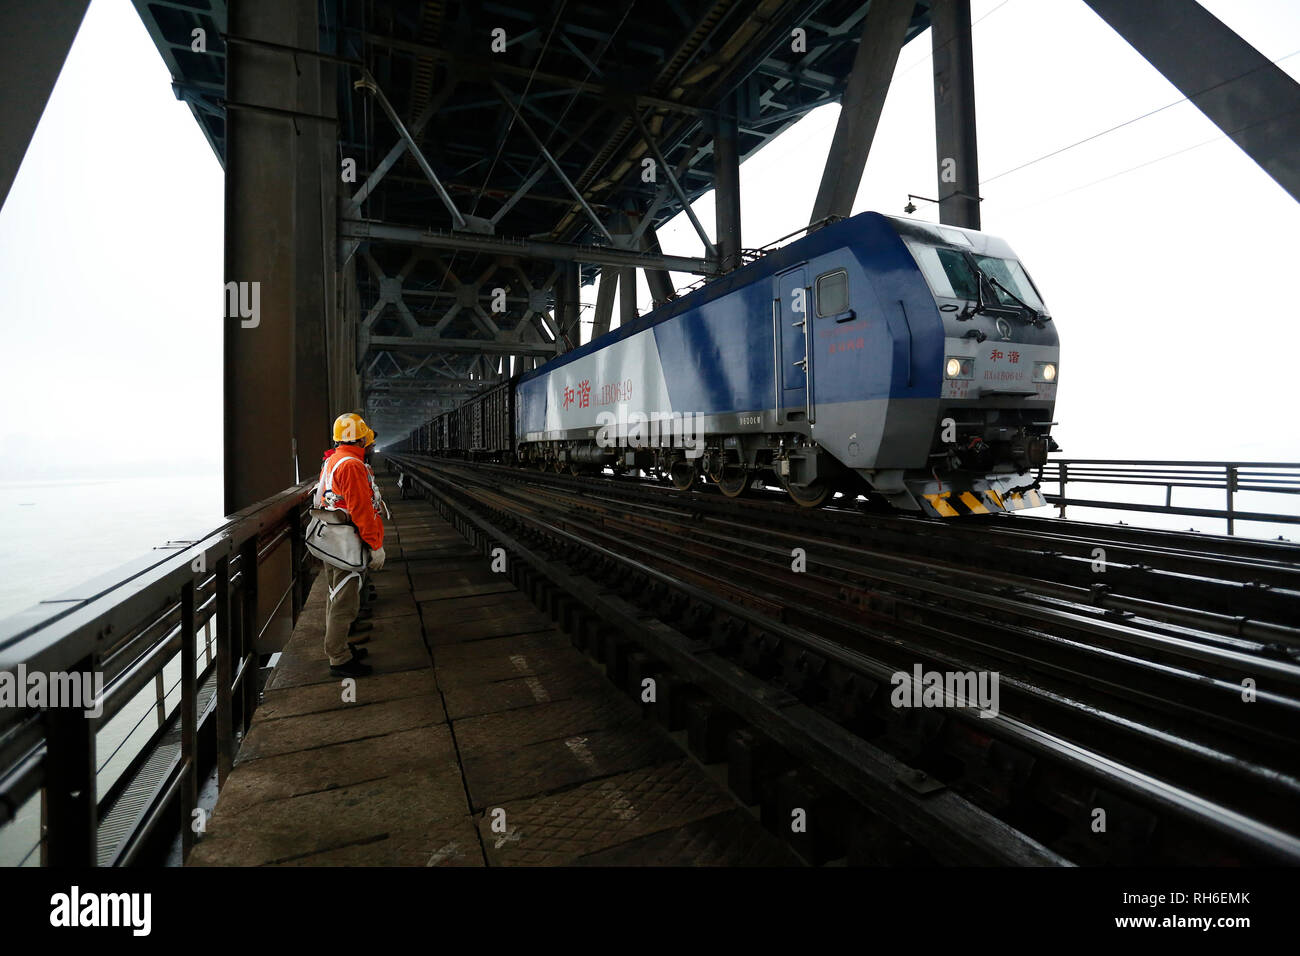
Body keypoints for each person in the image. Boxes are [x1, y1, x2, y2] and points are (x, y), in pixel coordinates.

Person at [315, 412, 386, 677]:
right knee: (345, 601)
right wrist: (375, 544)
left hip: (333, 541)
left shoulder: (334, 459)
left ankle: (339, 648)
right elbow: (361, 511)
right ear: (360, 441)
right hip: (346, 543)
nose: (371, 446)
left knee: (336, 595)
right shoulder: (352, 466)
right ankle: (339, 659)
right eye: (367, 441)